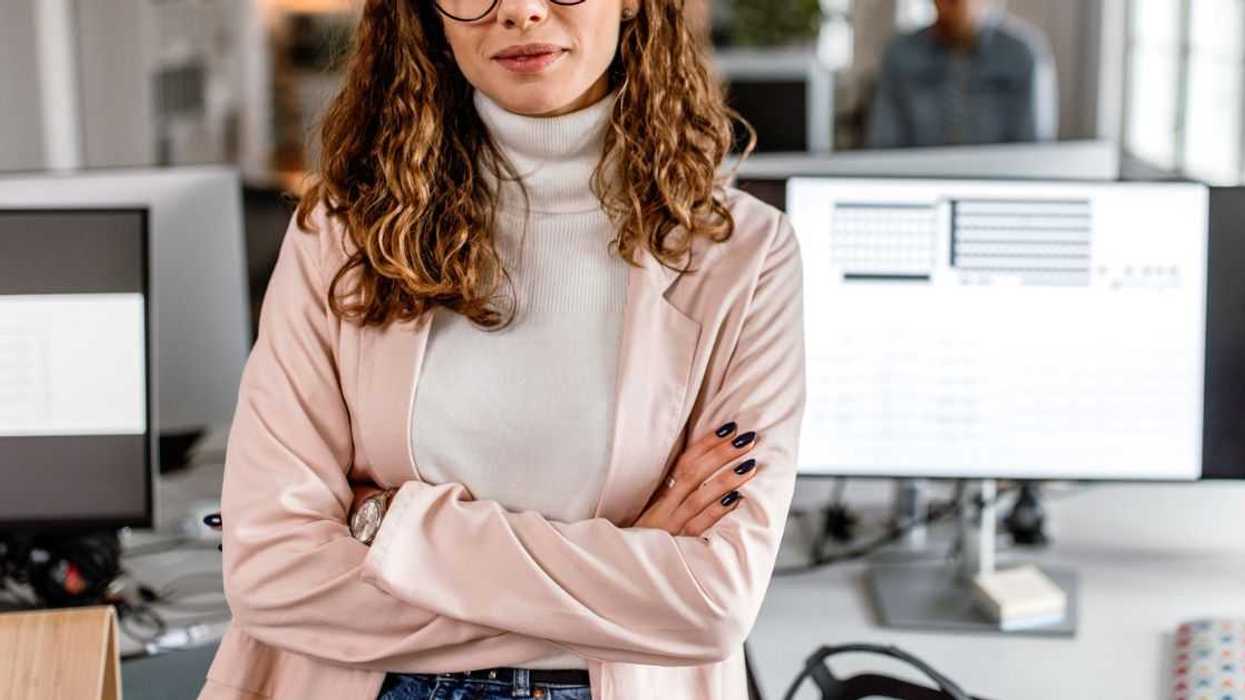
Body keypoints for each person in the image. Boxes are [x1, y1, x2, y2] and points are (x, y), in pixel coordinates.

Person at [197, 0, 806, 699]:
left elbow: (709, 604)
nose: (518, 11)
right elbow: (272, 575)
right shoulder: (340, 235)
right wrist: (627, 584)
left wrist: (388, 525)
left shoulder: (747, 257)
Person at [867, 0, 1058, 149]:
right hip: (919, 188)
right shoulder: (900, 54)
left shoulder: (1022, 54)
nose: (942, 8)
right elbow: (883, 144)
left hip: (997, 190)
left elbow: (1034, 147)